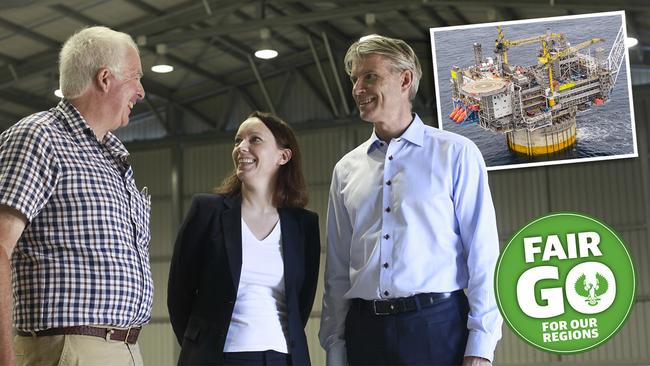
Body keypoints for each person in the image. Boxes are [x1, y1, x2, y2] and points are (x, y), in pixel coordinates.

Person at [319, 34, 502, 366]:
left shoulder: (456, 154)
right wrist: (335, 345)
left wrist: (481, 346)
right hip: (365, 332)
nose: (357, 88)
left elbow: (483, 256)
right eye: (355, 79)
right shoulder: (346, 170)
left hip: (438, 327)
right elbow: (337, 271)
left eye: (369, 76)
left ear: (405, 79)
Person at [0, 26, 150, 366]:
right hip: (70, 350)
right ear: (105, 79)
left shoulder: (113, 155)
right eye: (136, 77)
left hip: (125, 347)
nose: (141, 90)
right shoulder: (40, 137)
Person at [168, 111, 321, 366]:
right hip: (219, 357)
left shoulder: (303, 225)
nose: (242, 148)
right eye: (238, 140)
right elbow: (178, 294)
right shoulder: (207, 211)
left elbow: (302, 302)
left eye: (255, 140)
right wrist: (201, 346)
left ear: (283, 156)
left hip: (283, 357)